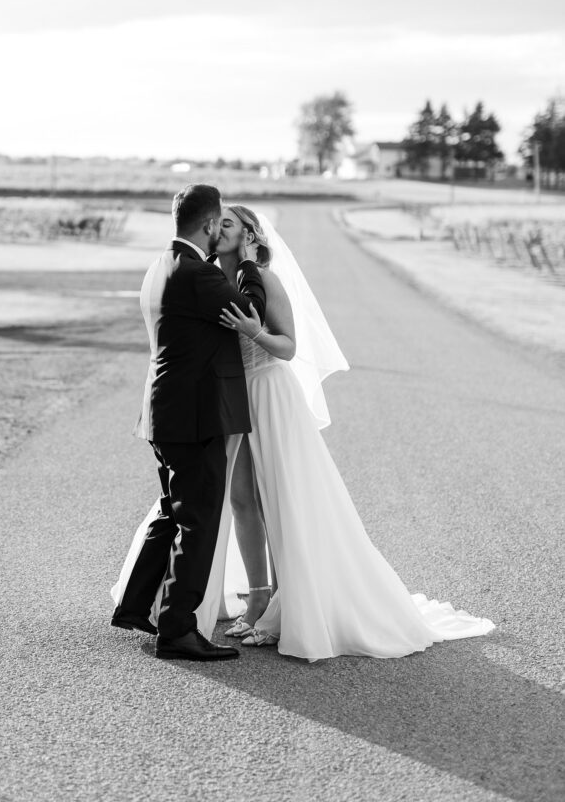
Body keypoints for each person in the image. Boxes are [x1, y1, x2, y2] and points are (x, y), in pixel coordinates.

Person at [214, 205, 495, 660]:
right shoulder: (210, 279)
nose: (218, 229)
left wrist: (254, 332)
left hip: (268, 389)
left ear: (250, 235)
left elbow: (288, 346)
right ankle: (257, 594)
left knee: (279, 498)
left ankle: (285, 605)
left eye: (228, 223)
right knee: (242, 498)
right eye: (216, 223)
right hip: (230, 395)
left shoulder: (267, 281)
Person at [110, 184, 266, 662]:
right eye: (218, 223)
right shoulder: (199, 275)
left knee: (172, 510)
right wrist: (250, 266)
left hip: (164, 412)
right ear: (206, 224)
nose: (221, 231)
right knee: (198, 523)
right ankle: (178, 631)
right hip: (195, 416)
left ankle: (137, 605)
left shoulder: (161, 264)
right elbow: (252, 316)